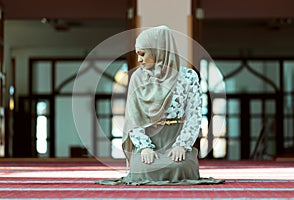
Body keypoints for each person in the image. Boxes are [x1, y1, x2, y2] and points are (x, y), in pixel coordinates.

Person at [96, 25, 224, 185]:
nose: (139, 59)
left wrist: (182, 146)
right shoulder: (138, 78)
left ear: (159, 50)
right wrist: (144, 147)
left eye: (143, 54)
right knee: (144, 168)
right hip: (149, 140)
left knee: (182, 166)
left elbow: (194, 115)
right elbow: (133, 119)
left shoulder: (188, 77)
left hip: (176, 139)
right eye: (138, 55)